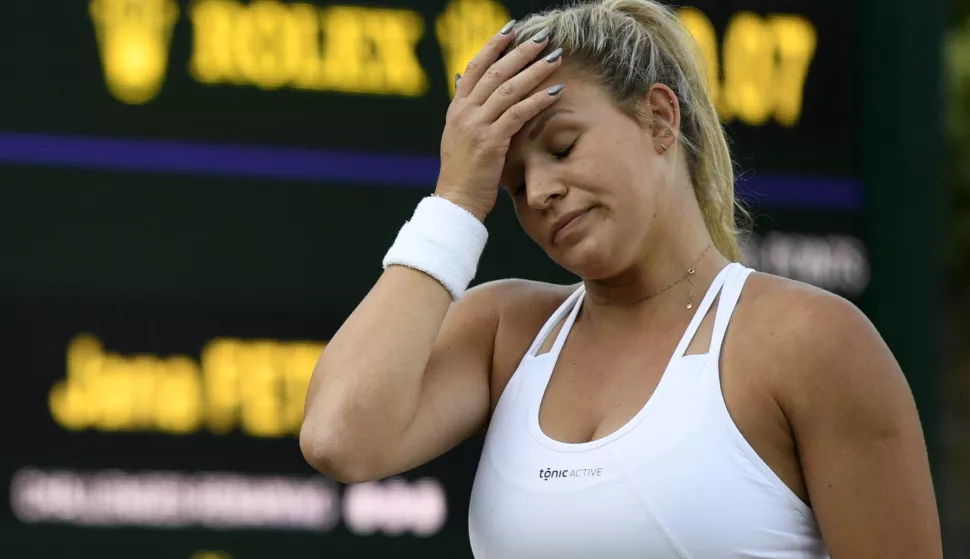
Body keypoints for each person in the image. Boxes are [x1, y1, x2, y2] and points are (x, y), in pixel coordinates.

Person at [299, 0, 943, 556]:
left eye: (561, 146)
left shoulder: (808, 341)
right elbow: (340, 439)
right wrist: (456, 198)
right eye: (513, 184)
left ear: (660, 118)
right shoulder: (506, 335)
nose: (542, 192)